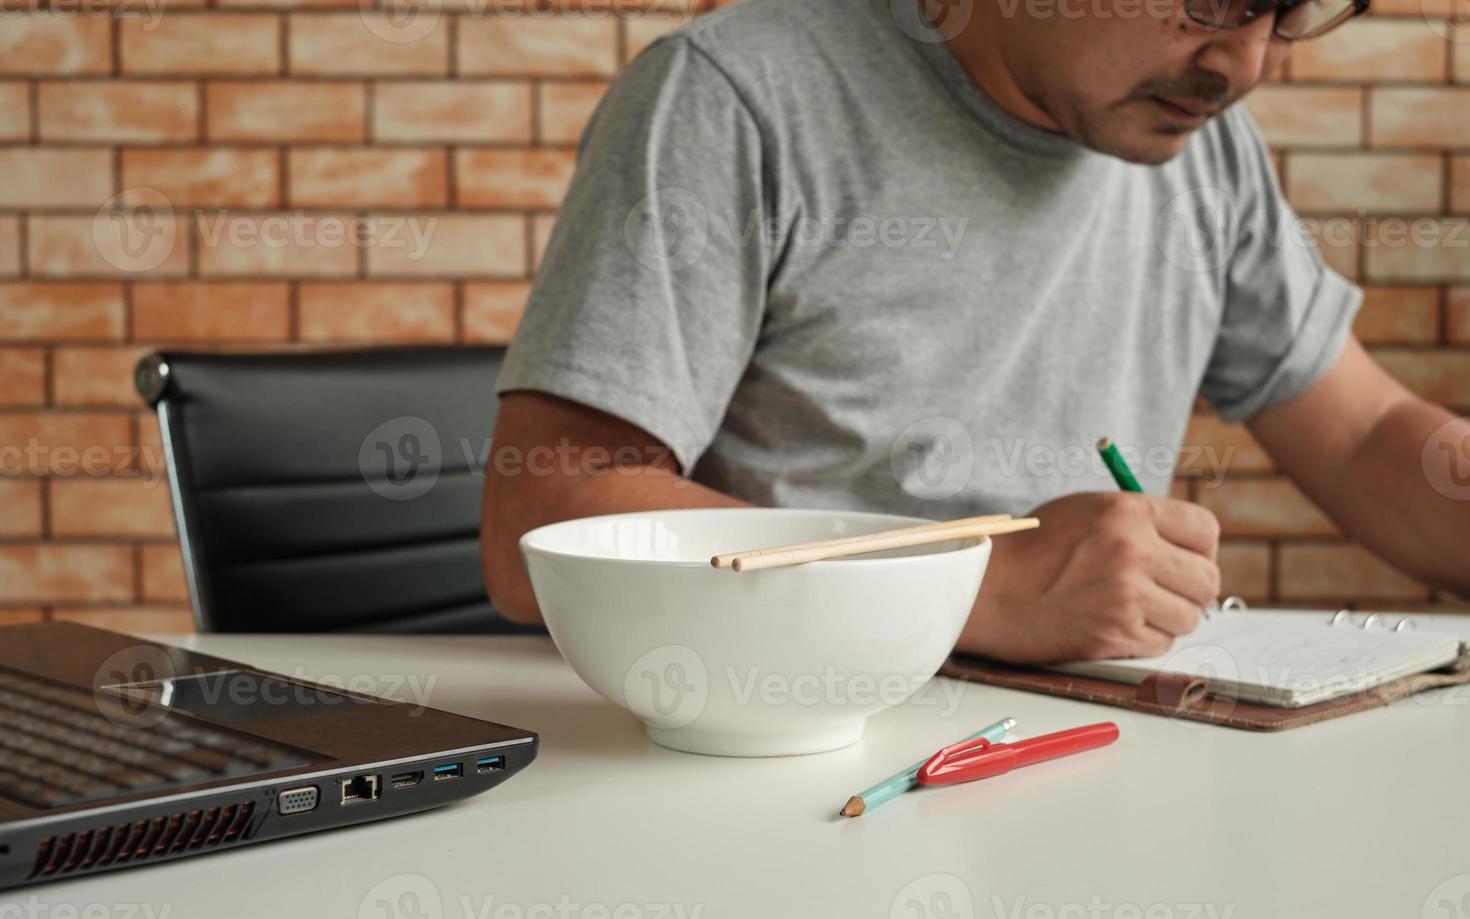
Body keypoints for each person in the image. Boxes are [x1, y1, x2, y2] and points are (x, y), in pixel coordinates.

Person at [481, 0, 1470, 664]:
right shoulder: (739, 93)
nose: (1242, 66)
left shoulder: (1201, 148)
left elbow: (1365, 434)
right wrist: (977, 587)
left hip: (1077, 769)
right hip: (768, 762)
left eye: (1287, 13)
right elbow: (546, 517)